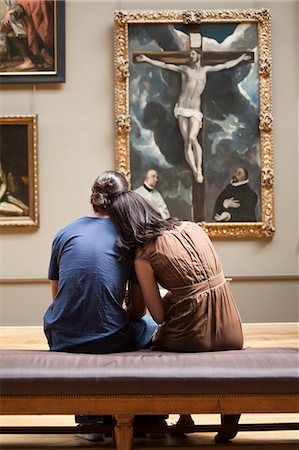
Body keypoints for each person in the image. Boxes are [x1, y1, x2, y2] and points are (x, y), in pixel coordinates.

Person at [101, 171, 243, 442]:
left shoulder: (144, 253)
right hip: (231, 325)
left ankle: (181, 414)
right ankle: (224, 414)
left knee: (154, 339)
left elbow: (159, 314)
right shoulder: (193, 227)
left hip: (192, 335)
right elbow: (198, 287)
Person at [43, 171, 159, 442]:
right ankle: (151, 416)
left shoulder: (65, 232)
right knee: (151, 327)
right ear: (125, 200)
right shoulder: (128, 237)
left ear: (92, 198)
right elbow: (138, 311)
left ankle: (89, 420)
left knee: (88, 329)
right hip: (108, 337)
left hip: (61, 335)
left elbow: (57, 296)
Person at [136, 51, 251, 184]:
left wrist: (241, 58)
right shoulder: (185, 70)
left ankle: (199, 169)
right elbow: (164, 65)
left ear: (198, 57)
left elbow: (225, 65)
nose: (191, 57)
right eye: (190, 56)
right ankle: (196, 171)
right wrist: (146, 59)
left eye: (193, 55)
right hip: (183, 109)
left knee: (192, 138)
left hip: (195, 110)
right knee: (187, 141)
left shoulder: (205, 70)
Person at [1, 0, 54, 71]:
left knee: (17, 25)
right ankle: (30, 59)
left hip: (32, 13)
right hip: (24, 12)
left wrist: (14, 10)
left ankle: (39, 54)